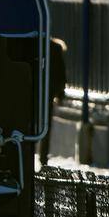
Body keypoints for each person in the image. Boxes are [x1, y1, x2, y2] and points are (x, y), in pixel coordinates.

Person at [40, 36, 68, 167]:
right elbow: (61, 73)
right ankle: (43, 159)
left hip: (32, 90)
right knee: (46, 126)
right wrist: (60, 94)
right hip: (47, 93)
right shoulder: (55, 47)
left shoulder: (30, 43)